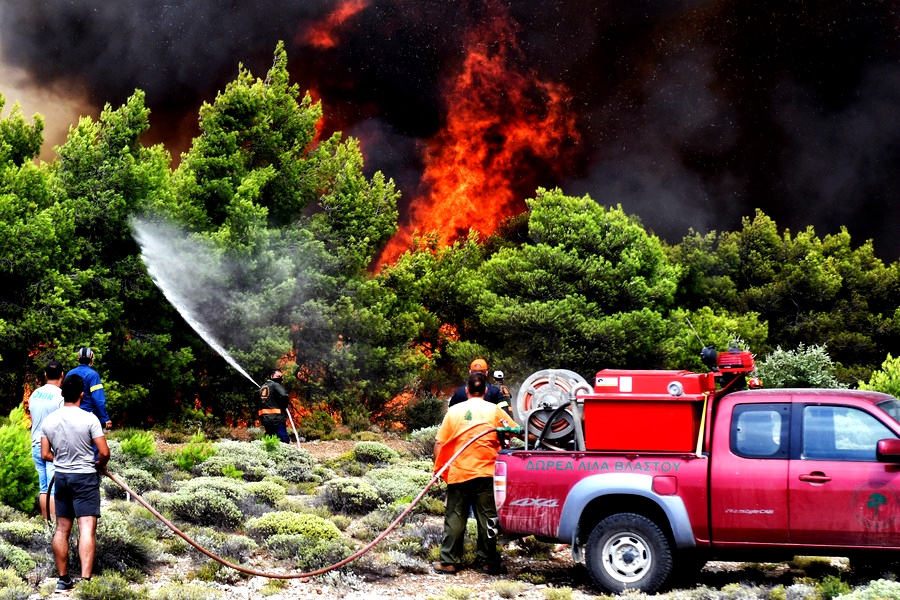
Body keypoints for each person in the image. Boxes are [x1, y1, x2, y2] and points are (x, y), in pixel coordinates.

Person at [433, 372, 517, 575]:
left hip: (458, 471)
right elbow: (516, 430)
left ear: (467, 390)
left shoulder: (454, 411)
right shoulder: (495, 410)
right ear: (486, 391)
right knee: (487, 518)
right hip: (487, 473)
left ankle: (449, 562)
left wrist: (437, 470)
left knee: (455, 516)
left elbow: (439, 442)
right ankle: (488, 562)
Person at [41, 373, 110, 591]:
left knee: (62, 529)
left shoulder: (49, 420)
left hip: (61, 478)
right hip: (85, 478)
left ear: (62, 394)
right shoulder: (89, 419)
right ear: (82, 395)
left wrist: (62, 459)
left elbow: (45, 453)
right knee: (86, 529)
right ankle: (86, 582)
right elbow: (105, 452)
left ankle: (63, 580)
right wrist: (98, 463)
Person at [29, 360, 65, 521]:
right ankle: (55, 526)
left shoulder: (35, 394)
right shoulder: (61, 396)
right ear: (62, 375)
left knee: (44, 488)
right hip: (52, 448)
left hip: (36, 444)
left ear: (45, 375)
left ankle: (46, 522)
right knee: (54, 489)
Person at [448, 358, 513, 419]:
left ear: (470, 372)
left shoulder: (459, 392)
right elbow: (505, 415)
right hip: (490, 429)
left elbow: (449, 415)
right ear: (486, 373)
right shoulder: (495, 392)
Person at [67, 347, 111, 430]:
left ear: (78, 359)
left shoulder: (69, 374)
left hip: (70, 416)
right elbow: (98, 399)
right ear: (91, 359)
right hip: (88, 417)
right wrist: (105, 418)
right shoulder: (93, 375)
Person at [258, 368, 290, 443]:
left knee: (269, 440)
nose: (280, 378)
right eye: (278, 376)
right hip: (277, 418)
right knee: (282, 439)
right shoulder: (275, 385)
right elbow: (284, 395)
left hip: (266, 419)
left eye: (281, 377)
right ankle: (284, 453)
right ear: (272, 376)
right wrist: (285, 404)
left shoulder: (262, 387)